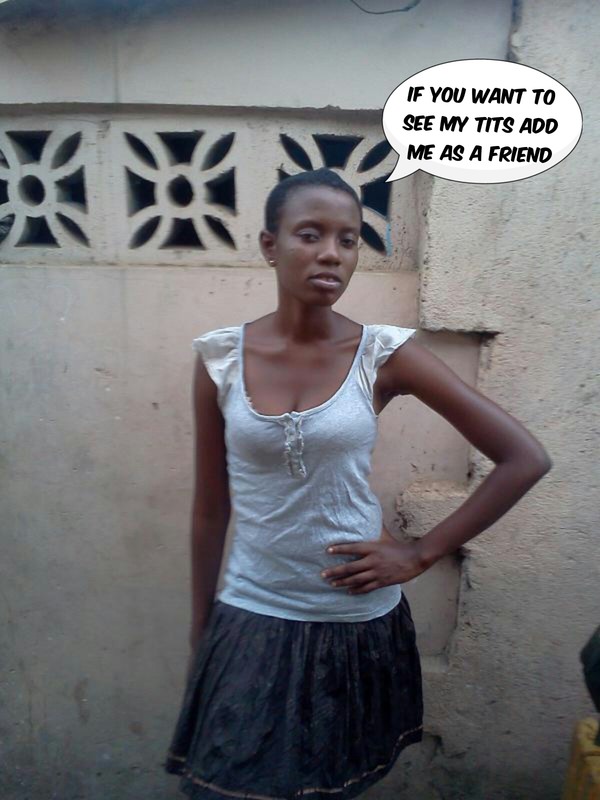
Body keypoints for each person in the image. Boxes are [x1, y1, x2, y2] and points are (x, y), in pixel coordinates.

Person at [163, 168, 552, 799]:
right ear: (270, 245)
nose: (331, 253)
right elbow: (211, 511)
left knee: (329, 785)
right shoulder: (222, 360)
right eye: (310, 234)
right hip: (254, 609)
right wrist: (200, 628)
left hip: (354, 618)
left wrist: (421, 552)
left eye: (348, 240)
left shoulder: (382, 355)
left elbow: (523, 458)